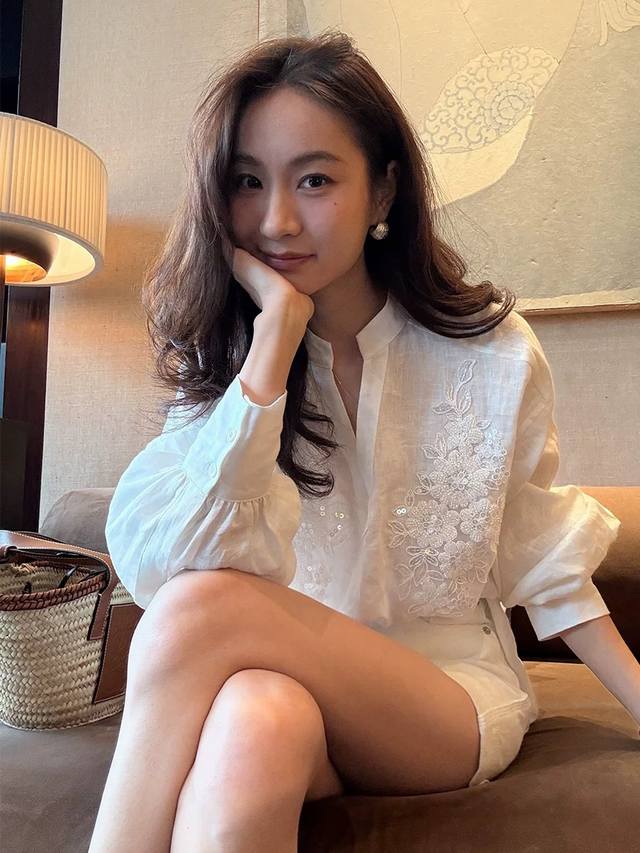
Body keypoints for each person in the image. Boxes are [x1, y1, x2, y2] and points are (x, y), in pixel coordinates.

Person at [88, 30, 634, 853]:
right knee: (251, 725)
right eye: (248, 182)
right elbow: (185, 560)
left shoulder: (491, 354)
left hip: (443, 698)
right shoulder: (228, 363)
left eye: (314, 180)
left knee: (205, 608)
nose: (276, 220)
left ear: (382, 191)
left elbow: (542, 553)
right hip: (285, 688)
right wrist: (273, 346)